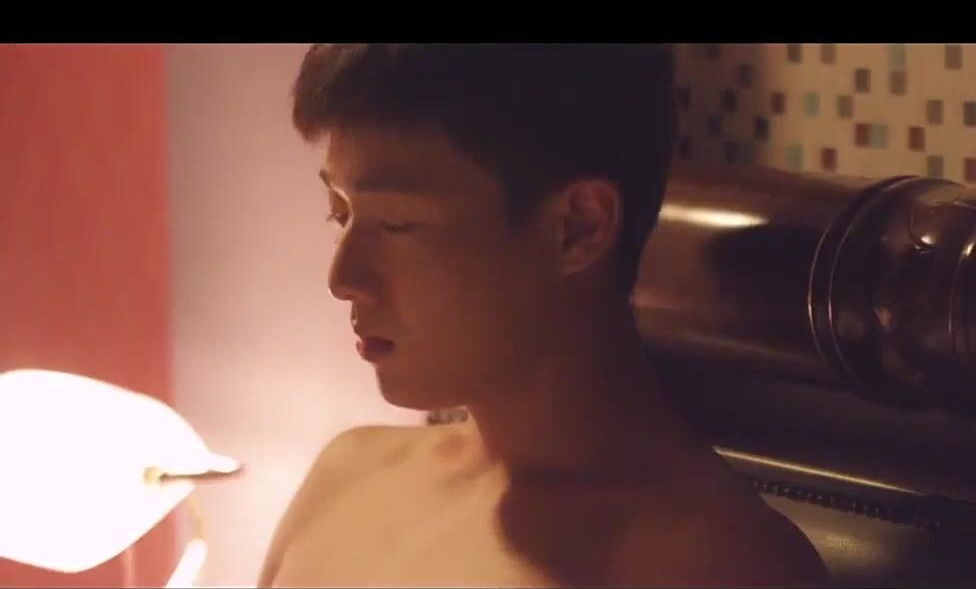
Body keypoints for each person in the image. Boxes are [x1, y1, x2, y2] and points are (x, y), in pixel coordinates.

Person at [256, 44, 829, 588]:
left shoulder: (711, 565)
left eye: (398, 224)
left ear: (576, 228)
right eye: (339, 212)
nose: (343, 278)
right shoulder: (347, 476)